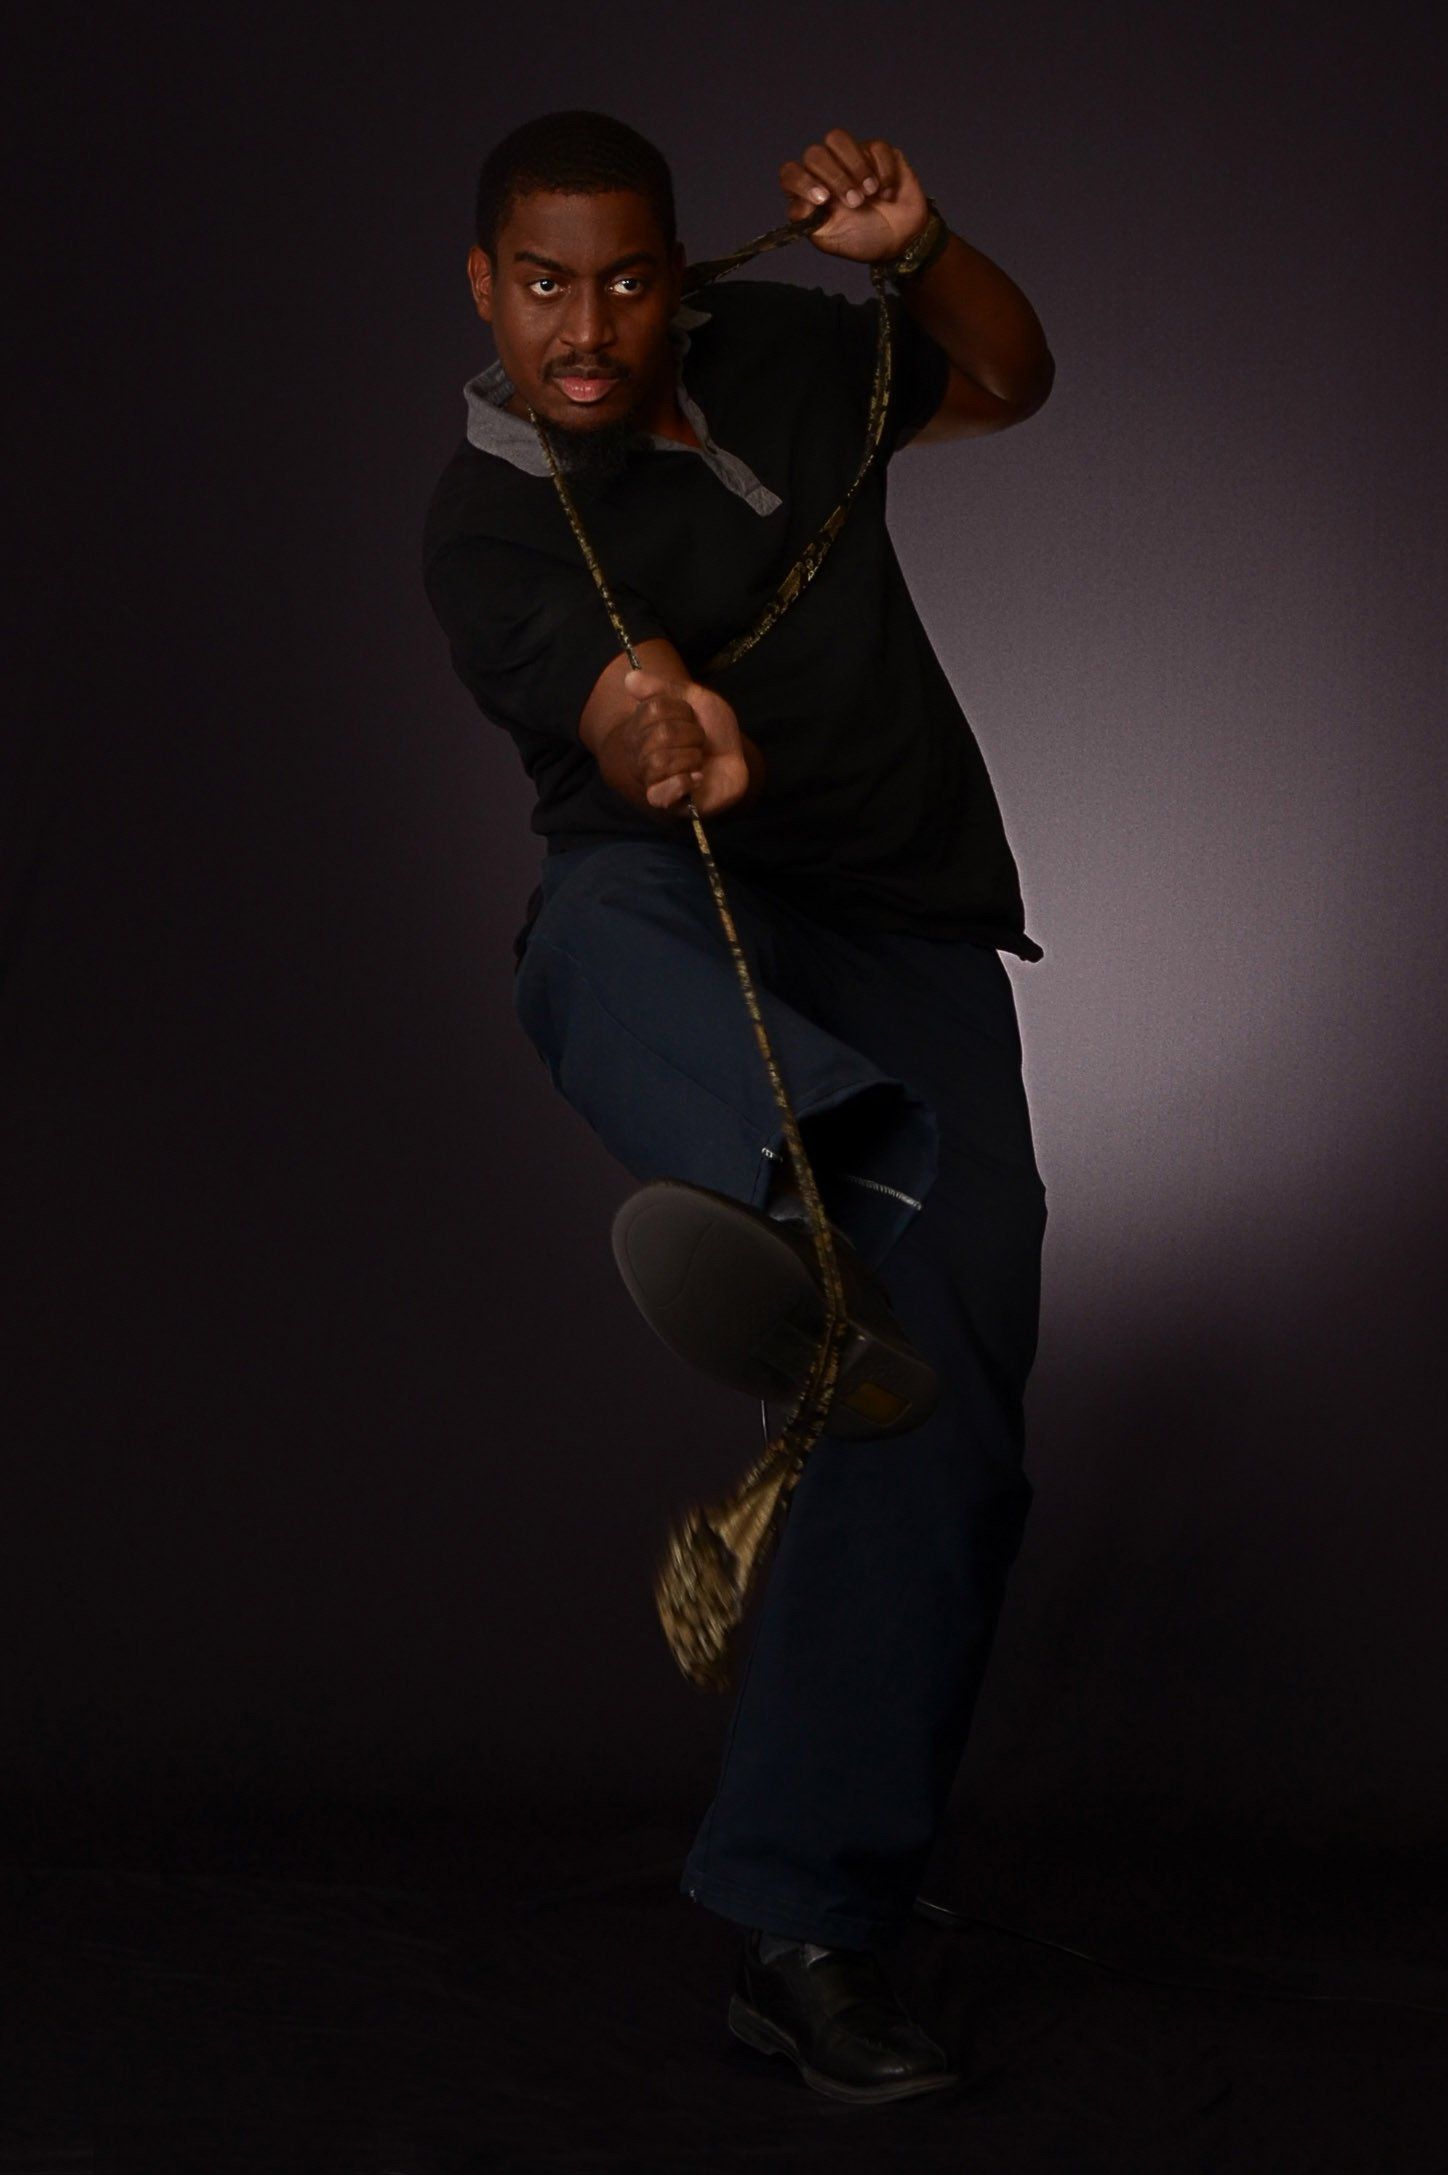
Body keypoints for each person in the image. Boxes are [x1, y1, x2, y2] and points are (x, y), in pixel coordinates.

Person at [422, 109, 1054, 2105]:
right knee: (587, 935)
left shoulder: (780, 353)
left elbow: (1007, 380)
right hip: (686, 910)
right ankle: (809, 1199)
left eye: (624, 281)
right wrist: (663, 718)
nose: (585, 328)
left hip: (909, 923)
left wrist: (917, 248)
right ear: (485, 287)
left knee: (940, 1425)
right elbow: (618, 684)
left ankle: (810, 1931)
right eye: (543, 285)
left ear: (678, 276)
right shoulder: (488, 520)